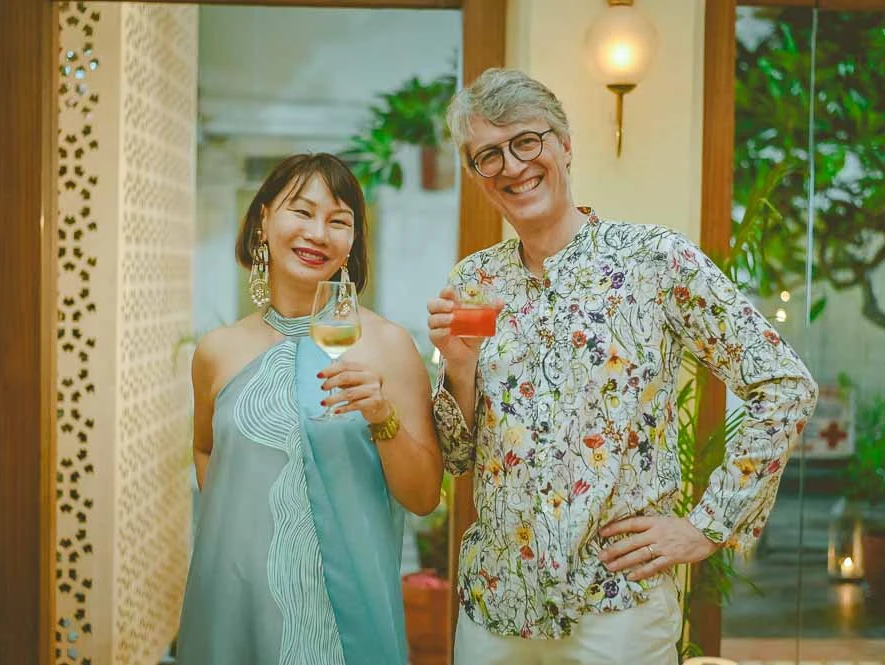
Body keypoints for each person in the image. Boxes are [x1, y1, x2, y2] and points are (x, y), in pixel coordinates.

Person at [427, 68, 818, 665]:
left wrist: (708, 525)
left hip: (618, 606)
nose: (512, 165)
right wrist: (459, 370)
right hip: (497, 607)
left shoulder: (655, 260)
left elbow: (784, 386)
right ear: (477, 173)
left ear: (564, 144)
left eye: (526, 141)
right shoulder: (475, 280)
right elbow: (457, 457)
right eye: (489, 155)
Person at [177, 153, 443, 665]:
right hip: (234, 602)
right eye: (301, 211)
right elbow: (206, 451)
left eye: (339, 221)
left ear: (352, 243)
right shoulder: (218, 351)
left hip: (345, 611)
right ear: (263, 220)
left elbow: (424, 496)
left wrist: (381, 415)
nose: (318, 233)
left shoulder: (387, 345)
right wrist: (249, 535)